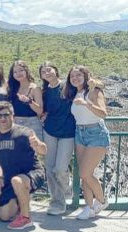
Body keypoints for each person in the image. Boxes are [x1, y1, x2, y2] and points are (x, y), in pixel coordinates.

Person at [0, 101, 46, 230]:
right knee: (4, 216)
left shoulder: (24, 133)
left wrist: (37, 145)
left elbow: (44, 150)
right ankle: (21, 200)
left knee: (17, 180)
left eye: (6, 115)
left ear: (12, 115)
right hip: (11, 179)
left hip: (32, 173)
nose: (3, 118)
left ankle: (25, 218)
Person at [65, 66, 111, 220]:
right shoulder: (74, 93)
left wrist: (87, 103)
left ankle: (102, 201)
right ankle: (90, 207)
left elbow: (103, 113)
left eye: (79, 75)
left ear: (86, 76)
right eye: (72, 76)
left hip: (96, 134)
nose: (75, 78)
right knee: (85, 175)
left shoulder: (94, 91)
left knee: (84, 172)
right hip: (80, 133)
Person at [39, 62, 75, 216]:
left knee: (60, 168)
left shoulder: (68, 86)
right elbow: (42, 110)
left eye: (49, 69)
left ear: (56, 70)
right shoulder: (44, 92)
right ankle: (57, 203)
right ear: (41, 75)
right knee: (49, 168)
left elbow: (89, 87)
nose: (47, 73)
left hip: (68, 133)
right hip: (50, 131)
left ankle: (67, 190)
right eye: (43, 71)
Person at [8, 60, 44, 141]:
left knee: (35, 152)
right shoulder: (13, 88)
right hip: (16, 124)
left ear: (26, 71)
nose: (18, 73)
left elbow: (40, 111)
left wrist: (29, 101)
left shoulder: (35, 88)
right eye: (15, 72)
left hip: (33, 124)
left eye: (21, 70)